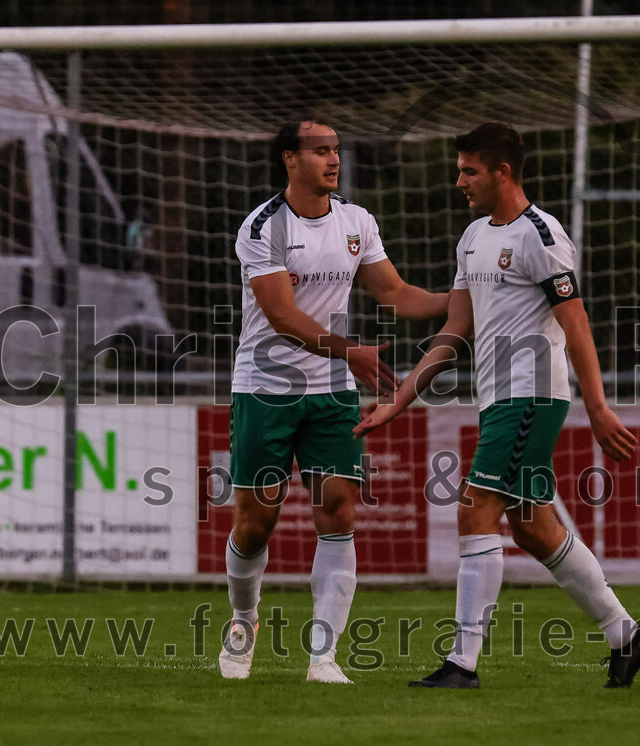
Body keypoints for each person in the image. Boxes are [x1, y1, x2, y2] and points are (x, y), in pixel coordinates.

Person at [355, 122, 640, 689]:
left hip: (531, 395)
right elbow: (455, 329)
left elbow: (576, 324)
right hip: (500, 400)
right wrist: (398, 402)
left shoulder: (541, 235)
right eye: (459, 170)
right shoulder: (472, 237)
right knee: (533, 528)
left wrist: (597, 406)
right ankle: (626, 636)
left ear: (503, 172)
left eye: (469, 171)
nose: (459, 181)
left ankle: (462, 665)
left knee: (474, 510)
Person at [220, 117, 448, 683]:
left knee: (339, 511)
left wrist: (462, 298)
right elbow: (281, 315)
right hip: (265, 389)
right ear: (289, 158)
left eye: (336, 150)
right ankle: (243, 620)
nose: (333, 159)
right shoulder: (262, 226)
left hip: (331, 392)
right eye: (320, 150)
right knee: (255, 522)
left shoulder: (357, 222)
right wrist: (351, 352)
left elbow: (395, 292)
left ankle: (323, 657)